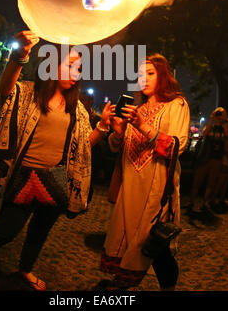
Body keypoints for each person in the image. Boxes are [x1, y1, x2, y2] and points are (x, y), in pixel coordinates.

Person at [0, 31, 113, 290]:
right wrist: (19, 56)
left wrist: (103, 128)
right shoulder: (29, 93)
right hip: (24, 175)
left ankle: (25, 269)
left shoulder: (77, 109)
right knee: (6, 230)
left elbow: (82, 147)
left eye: (78, 68)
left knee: (39, 232)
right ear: (52, 66)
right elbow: (5, 88)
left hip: (55, 179)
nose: (75, 72)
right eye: (70, 65)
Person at [97, 53, 190, 291]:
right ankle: (121, 285)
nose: (144, 79)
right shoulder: (135, 109)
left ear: (164, 76)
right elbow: (118, 149)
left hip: (156, 189)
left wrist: (143, 126)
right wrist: (117, 131)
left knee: (153, 243)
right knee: (134, 241)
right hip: (130, 188)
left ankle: (142, 287)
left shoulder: (176, 105)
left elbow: (176, 147)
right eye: (140, 75)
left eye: (150, 73)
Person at [188, 107, 228, 213]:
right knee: (197, 181)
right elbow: (204, 134)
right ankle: (191, 202)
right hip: (205, 157)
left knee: (211, 182)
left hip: (217, 159)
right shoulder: (210, 126)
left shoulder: (225, 126)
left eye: (222, 114)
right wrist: (211, 120)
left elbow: (227, 136)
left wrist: (224, 121)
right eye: (218, 113)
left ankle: (204, 203)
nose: (219, 116)